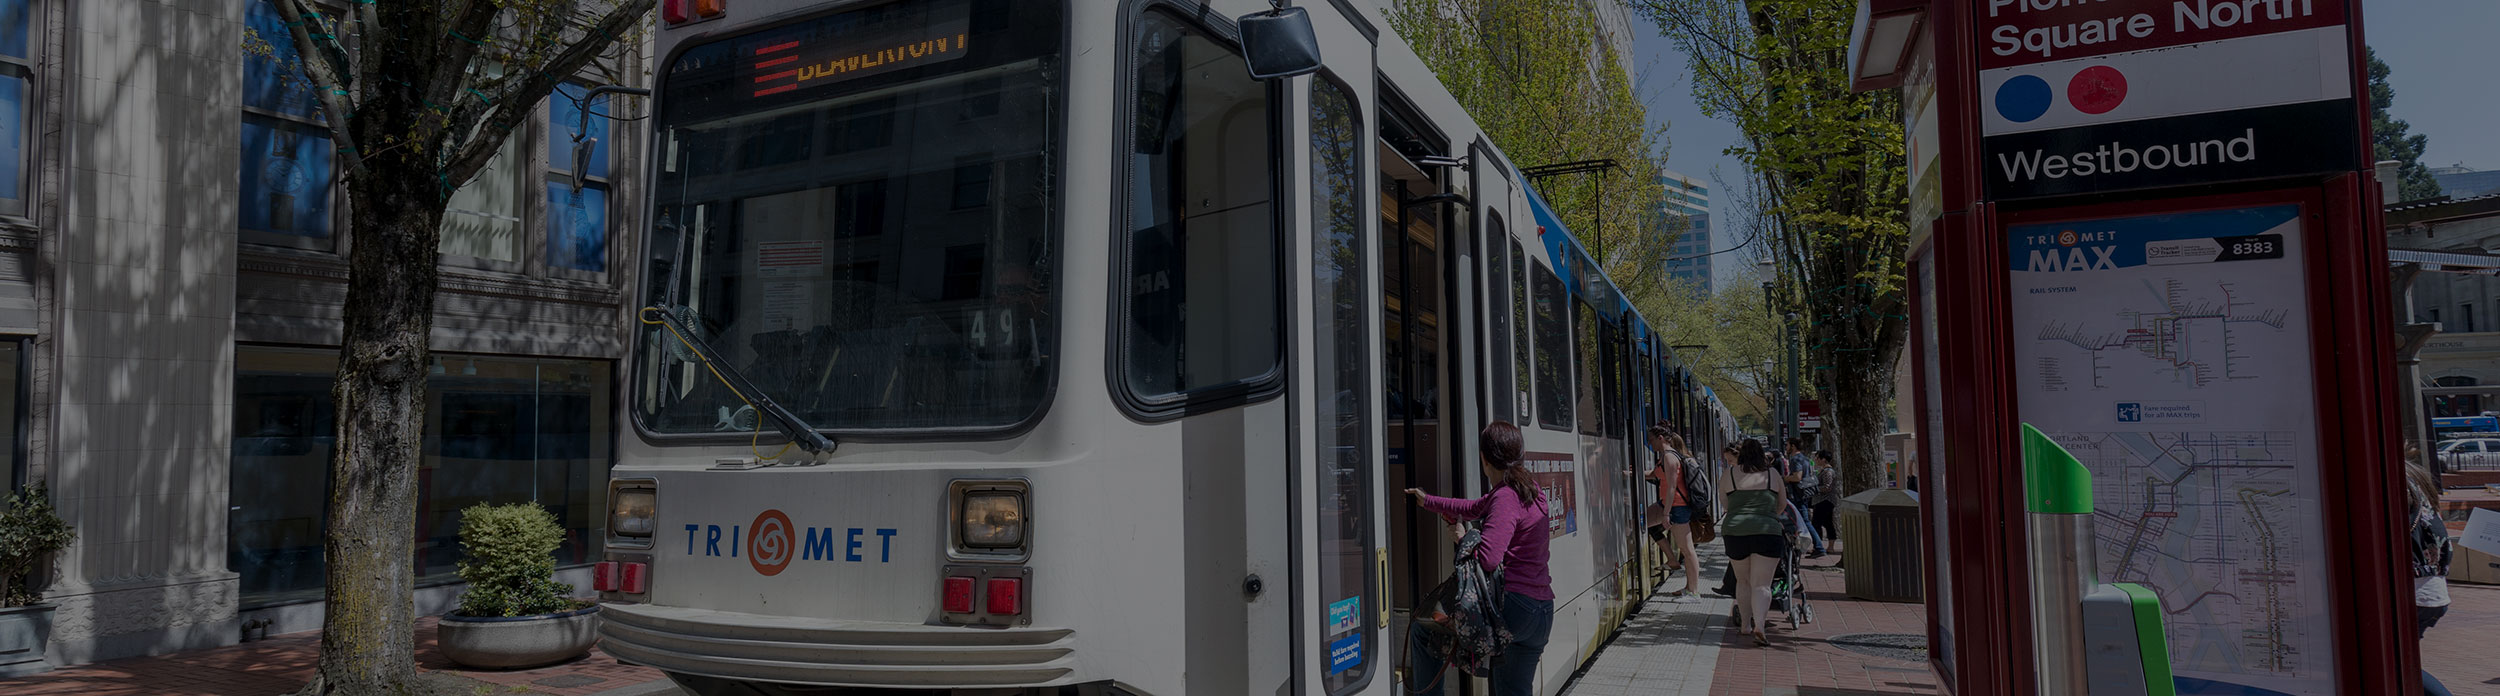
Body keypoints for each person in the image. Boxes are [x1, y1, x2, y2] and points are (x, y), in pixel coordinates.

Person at [1403, 421, 1553, 695]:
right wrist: (1428, 501)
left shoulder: (1505, 496)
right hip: (1541, 612)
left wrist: (1462, 538)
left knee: (1424, 631)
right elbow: (1472, 507)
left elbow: (1488, 559)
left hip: (1514, 610)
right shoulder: (1529, 489)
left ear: (1484, 459)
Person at [1721, 438, 1787, 646]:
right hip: (1767, 531)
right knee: (1762, 584)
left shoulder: (1729, 474)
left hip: (1735, 531)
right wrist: (1766, 515)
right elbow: (1782, 504)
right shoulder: (1772, 474)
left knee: (1743, 581)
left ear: (1740, 454)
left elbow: (1725, 505)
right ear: (1762, 453)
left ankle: (1745, 625)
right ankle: (1760, 625)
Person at [2404, 446, 2455, 696]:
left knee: (2400, 666)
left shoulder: (2394, 480)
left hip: (2413, 590)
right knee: (2403, 663)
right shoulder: (2415, 475)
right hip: (2432, 588)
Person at [1645, 423, 1704, 599]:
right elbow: (1656, 475)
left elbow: (1671, 487)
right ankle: (1678, 570)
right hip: (1669, 504)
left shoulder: (1669, 458)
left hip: (1676, 507)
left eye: (1652, 440)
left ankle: (1693, 590)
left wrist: (1666, 514)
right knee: (1639, 522)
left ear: (1661, 438)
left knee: (1687, 549)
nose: (1650, 444)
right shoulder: (1666, 457)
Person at [1782, 438, 1826, 557]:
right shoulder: (1805, 458)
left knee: (1804, 521)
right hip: (1805, 494)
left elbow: (1797, 477)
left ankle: (1818, 547)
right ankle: (1814, 546)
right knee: (1804, 521)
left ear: (1793, 446)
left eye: (1787, 445)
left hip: (1798, 495)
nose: (1786, 447)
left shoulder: (1795, 459)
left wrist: (1785, 478)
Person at [1810, 450, 1840, 555]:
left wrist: (1814, 488)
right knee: (1827, 523)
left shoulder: (1828, 471)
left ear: (1823, 459)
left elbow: (1828, 487)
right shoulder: (1823, 470)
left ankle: (1818, 547)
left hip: (1825, 500)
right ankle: (1829, 547)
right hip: (1823, 500)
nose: (1816, 460)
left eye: (1817, 458)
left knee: (1816, 523)